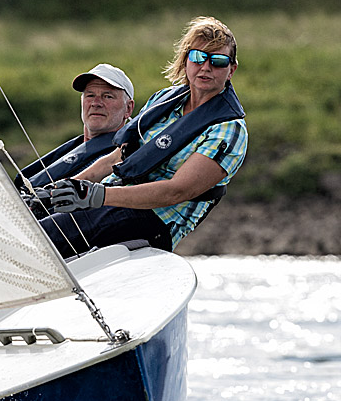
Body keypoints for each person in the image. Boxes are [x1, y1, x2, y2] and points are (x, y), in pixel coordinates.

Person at [38, 16, 247, 257]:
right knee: (33, 218)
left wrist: (96, 195)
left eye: (218, 61)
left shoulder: (229, 129)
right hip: (112, 199)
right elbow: (118, 156)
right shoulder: (164, 99)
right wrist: (64, 189)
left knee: (46, 235)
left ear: (231, 70)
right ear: (186, 60)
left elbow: (176, 191)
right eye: (198, 57)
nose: (206, 67)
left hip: (154, 221)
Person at [15, 64, 135, 217]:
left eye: (108, 96)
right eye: (90, 95)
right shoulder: (73, 147)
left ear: (128, 109)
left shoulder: (127, 157)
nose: (96, 103)